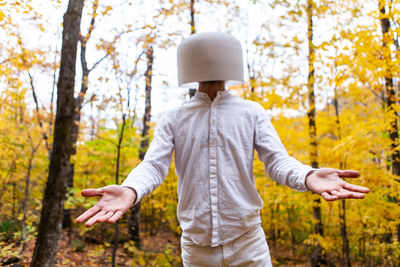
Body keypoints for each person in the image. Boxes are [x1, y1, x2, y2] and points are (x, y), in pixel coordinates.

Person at [76, 32, 370, 266]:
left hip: (248, 241)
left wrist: (308, 176)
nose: (209, 60)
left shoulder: (251, 112)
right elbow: (153, 165)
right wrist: (130, 190)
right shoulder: (174, 118)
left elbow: (277, 161)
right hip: (196, 246)